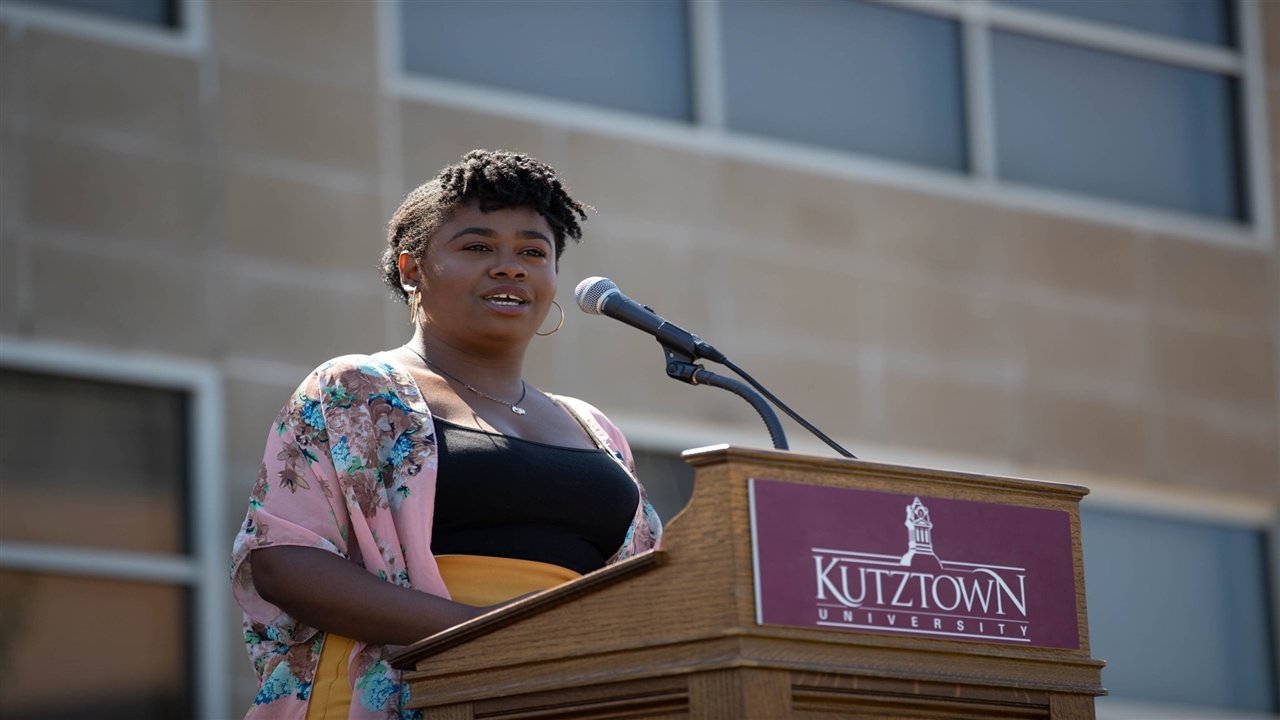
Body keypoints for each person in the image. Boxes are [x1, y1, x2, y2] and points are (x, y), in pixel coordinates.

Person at [229, 150, 663, 720]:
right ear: (411, 271)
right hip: (402, 694)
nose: (510, 267)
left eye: (534, 252)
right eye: (478, 247)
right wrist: (500, 635)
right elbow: (285, 564)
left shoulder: (595, 429)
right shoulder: (355, 390)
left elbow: (642, 588)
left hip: (559, 698)